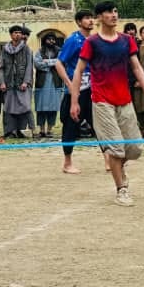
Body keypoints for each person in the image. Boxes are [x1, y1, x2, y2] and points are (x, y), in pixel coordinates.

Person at [70, 1, 144, 206]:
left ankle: (117, 166)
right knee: (116, 148)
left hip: (124, 100)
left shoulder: (127, 40)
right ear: (100, 17)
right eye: (109, 12)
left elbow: (136, 67)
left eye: (116, 11)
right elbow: (79, 71)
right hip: (101, 101)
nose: (114, 15)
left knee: (134, 149)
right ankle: (122, 189)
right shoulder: (92, 42)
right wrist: (74, 101)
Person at [55, 9, 96, 174]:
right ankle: (67, 162)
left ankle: (109, 159)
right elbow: (59, 63)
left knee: (100, 125)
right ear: (79, 22)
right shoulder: (73, 40)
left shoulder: (94, 40)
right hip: (76, 90)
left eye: (92, 17)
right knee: (71, 126)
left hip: (93, 90)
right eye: (87, 18)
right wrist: (69, 84)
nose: (91, 21)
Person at [1, 25, 34, 138]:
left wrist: (26, 81)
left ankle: (26, 130)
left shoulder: (26, 49)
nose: (18, 34)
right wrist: (2, 82)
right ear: (11, 35)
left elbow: (29, 66)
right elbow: (1, 67)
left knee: (25, 107)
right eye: (15, 32)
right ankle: (10, 131)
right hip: (9, 83)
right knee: (9, 108)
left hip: (22, 84)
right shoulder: (5, 49)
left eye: (19, 32)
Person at [33, 33, 65, 137]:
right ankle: (42, 130)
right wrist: (52, 64)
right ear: (45, 40)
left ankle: (50, 130)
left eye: (53, 39)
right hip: (42, 83)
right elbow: (37, 64)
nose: (51, 41)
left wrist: (47, 62)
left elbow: (61, 62)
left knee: (53, 107)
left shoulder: (60, 51)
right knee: (41, 108)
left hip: (55, 83)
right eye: (49, 39)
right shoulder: (39, 51)